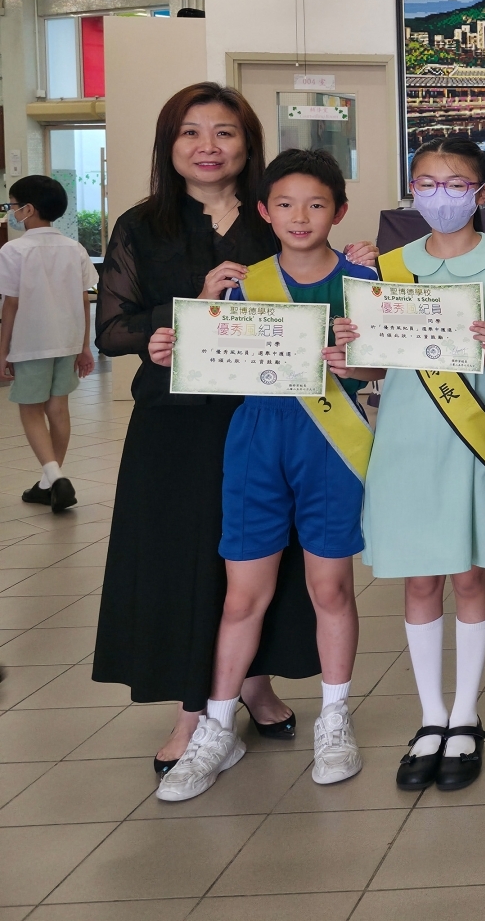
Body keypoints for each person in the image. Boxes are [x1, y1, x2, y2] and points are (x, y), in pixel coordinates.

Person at [93, 84, 323, 775]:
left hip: (266, 414)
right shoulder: (141, 226)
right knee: (184, 558)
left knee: (266, 558)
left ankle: (255, 683)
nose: (208, 146)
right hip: (176, 426)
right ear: (169, 145)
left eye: (224, 132)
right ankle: (193, 709)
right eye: (190, 132)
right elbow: (112, 330)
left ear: (248, 144)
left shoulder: (273, 218)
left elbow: (318, 290)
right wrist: (185, 310)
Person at [155, 149, 382, 802]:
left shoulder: (362, 280)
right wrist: (188, 324)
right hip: (255, 444)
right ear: (264, 211)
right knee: (241, 596)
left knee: (330, 588)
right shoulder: (240, 283)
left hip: (331, 446)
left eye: (315, 204)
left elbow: (381, 368)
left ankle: (334, 719)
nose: (299, 216)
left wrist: (358, 363)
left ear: (339, 211)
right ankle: (216, 728)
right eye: (284, 204)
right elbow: (205, 363)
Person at [355, 136, 485, 792]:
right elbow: (372, 369)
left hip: (471, 443)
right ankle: (431, 717)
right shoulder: (388, 266)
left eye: (455, 185)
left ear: (481, 194)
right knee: (419, 580)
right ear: (411, 190)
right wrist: (349, 347)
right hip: (403, 443)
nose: (439, 196)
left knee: (469, 574)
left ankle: (466, 715)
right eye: (426, 183)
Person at [2, 175, 96, 513]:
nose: (11, 212)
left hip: (30, 342)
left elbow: (10, 304)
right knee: (58, 409)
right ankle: (48, 484)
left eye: (13, 205)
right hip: (67, 341)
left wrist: (3, 351)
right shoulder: (75, 248)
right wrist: (85, 346)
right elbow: (84, 300)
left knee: (30, 410)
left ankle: (55, 477)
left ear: (28, 209)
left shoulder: (13, 250)